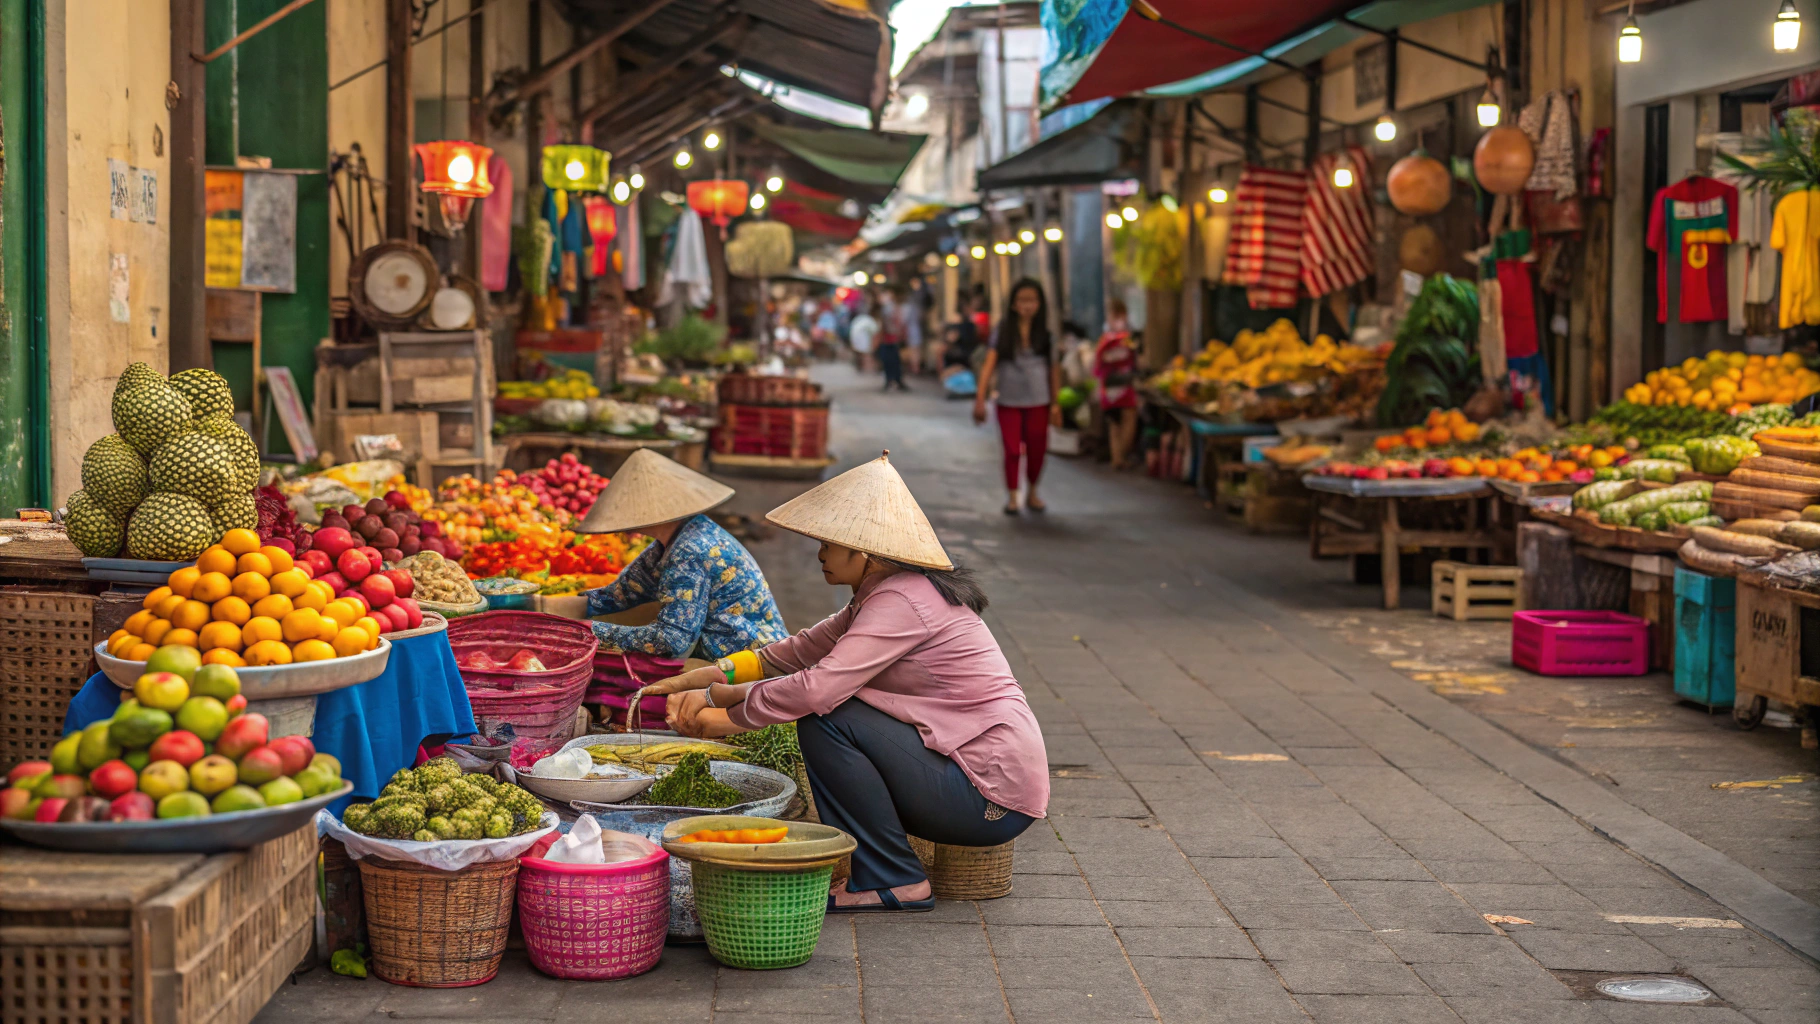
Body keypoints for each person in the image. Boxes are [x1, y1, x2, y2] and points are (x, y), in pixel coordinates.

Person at [655, 453, 1048, 913]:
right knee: (828, 709)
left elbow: (817, 688)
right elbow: (796, 651)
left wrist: (724, 720)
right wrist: (709, 679)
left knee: (828, 717)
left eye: (828, 544)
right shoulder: (883, 593)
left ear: (861, 552)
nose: (820, 554)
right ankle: (889, 870)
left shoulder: (902, 599)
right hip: (972, 775)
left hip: (987, 797)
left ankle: (893, 878)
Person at [576, 449, 788, 724]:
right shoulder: (676, 539)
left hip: (749, 673)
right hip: (736, 665)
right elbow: (617, 596)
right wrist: (538, 607)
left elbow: (670, 640)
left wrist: (587, 632)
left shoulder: (690, 551)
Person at [973, 278, 1061, 514]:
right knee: (1012, 450)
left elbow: (1053, 371)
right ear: (1013, 304)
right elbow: (989, 365)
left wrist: (1056, 404)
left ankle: (1032, 492)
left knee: (1037, 449)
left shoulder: (1047, 335)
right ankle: (1013, 496)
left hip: (1039, 401)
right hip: (1008, 401)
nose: (1027, 305)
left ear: (1040, 303)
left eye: (1032, 300)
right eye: (1022, 300)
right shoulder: (1002, 332)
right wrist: (980, 398)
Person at [1093, 310, 1142, 469]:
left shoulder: (1105, 341)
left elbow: (1097, 366)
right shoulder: (1126, 340)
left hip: (1108, 386)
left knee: (1114, 423)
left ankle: (1117, 458)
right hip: (1122, 384)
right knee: (1128, 417)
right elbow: (1135, 361)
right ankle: (1121, 455)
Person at [848, 301, 878, 372]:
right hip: (861, 338)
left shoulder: (861, 318)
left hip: (855, 337)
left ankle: (861, 366)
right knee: (865, 353)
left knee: (860, 353)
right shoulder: (870, 320)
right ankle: (867, 367)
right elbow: (875, 333)